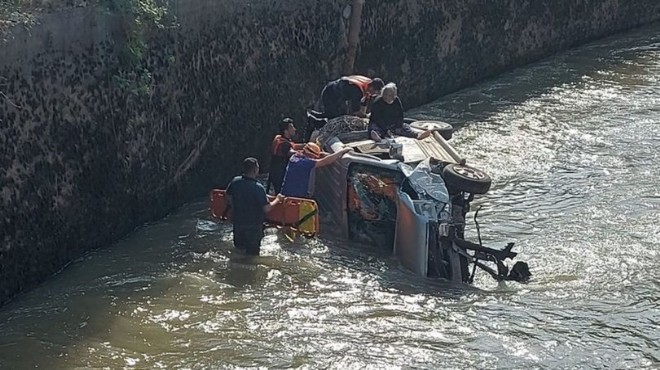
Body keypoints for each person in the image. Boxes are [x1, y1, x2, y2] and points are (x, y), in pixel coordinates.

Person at [226, 157, 284, 256]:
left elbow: (227, 195)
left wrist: (233, 207)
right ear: (255, 170)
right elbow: (266, 208)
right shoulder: (258, 187)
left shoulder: (235, 181)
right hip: (253, 228)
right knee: (252, 257)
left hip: (238, 224)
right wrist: (278, 199)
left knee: (238, 252)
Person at [280, 142, 352, 198]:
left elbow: (317, 155)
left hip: (287, 193)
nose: (314, 158)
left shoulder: (295, 156)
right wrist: (342, 151)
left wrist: (323, 154)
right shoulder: (305, 163)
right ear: (310, 155)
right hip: (294, 197)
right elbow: (326, 161)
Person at [318, 75, 385, 119]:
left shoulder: (368, 85)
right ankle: (312, 118)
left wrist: (364, 117)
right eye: (375, 91)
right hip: (330, 93)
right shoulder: (357, 91)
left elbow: (363, 106)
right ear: (372, 87)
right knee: (333, 117)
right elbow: (356, 111)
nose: (374, 94)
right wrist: (368, 116)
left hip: (337, 94)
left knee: (335, 114)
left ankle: (313, 116)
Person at [267, 118, 304, 194]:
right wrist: (304, 153)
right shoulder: (283, 144)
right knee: (282, 195)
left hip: (273, 172)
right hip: (280, 174)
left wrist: (305, 145)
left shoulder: (279, 138)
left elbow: (293, 145)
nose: (294, 129)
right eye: (292, 127)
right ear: (286, 131)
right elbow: (291, 152)